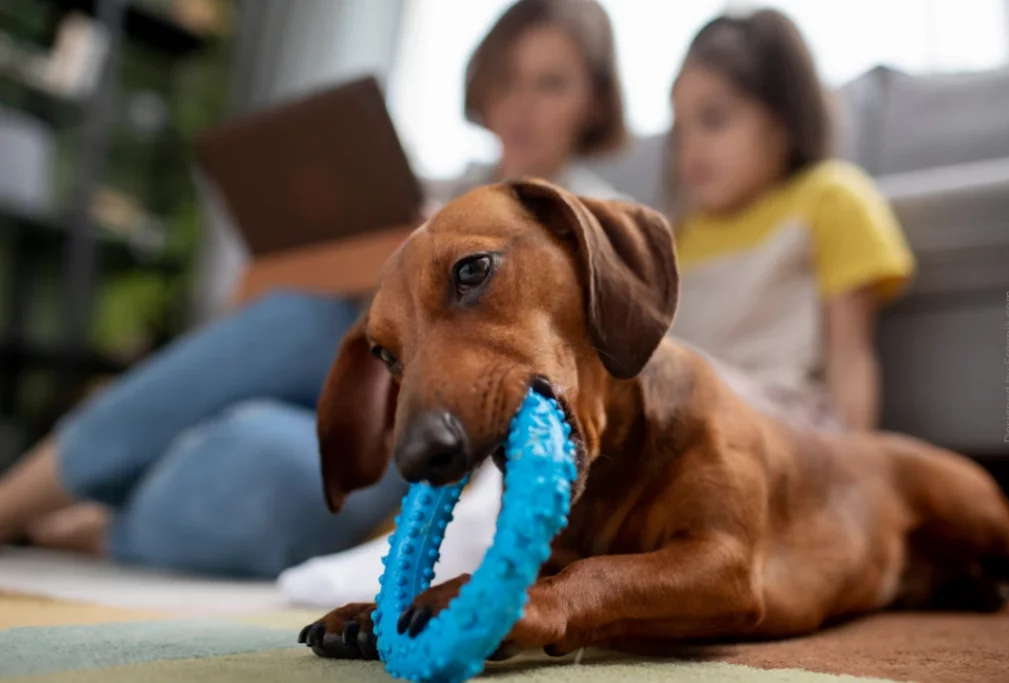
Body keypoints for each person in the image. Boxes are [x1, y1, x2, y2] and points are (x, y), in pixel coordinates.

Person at [0, 0, 628, 579]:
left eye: (552, 84)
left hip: (423, 423)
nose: (522, 105)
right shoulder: (438, 191)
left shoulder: (601, 224)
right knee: (296, 315)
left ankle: (107, 531)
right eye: (507, 79)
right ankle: (14, 503)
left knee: (258, 449)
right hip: (341, 365)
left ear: (595, 101)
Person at [666, 9, 915, 432]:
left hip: (792, 431)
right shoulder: (680, 237)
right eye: (680, 129)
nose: (691, 147)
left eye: (713, 119)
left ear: (782, 122)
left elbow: (850, 357)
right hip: (698, 427)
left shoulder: (831, 199)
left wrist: (850, 475)